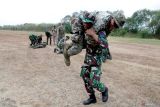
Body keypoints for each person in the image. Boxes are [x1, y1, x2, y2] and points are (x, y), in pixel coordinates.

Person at [64, 11, 125, 105]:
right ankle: (92, 97)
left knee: (94, 82)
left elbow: (104, 45)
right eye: (115, 24)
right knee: (85, 76)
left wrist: (93, 34)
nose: (114, 27)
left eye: (116, 26)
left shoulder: (101, 29)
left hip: (96, 56)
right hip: (89, 54)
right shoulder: (89, 26)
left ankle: (104, 90)